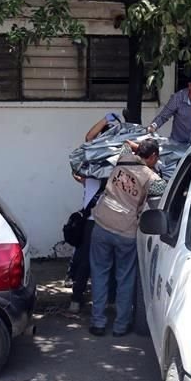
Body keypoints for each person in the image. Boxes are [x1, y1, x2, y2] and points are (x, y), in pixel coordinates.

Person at [89, 139, 166, 337]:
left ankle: (98, 323)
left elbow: (125, 143)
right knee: (124, 278)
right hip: (126, 232)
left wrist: (137, 145)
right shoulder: (152, 178)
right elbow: (164, 192)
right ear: (153, 157)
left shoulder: (123, 158)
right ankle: (120, 326)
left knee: (99, 274)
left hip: (102, 225)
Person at [68, 112, 121, 312]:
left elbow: (89, 138)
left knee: (85, 260)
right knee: (112, 261)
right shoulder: (119, 161)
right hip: (112, 220)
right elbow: (90, 138)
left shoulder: (92, 160)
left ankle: (76, 299)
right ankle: (111, 300)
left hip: (92, 220)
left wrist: (106, 119)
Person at [147, 70, 191, 144]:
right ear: (190, 86)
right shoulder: (178, 98)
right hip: (176, 143)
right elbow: (163, 117)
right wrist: (152, 128)